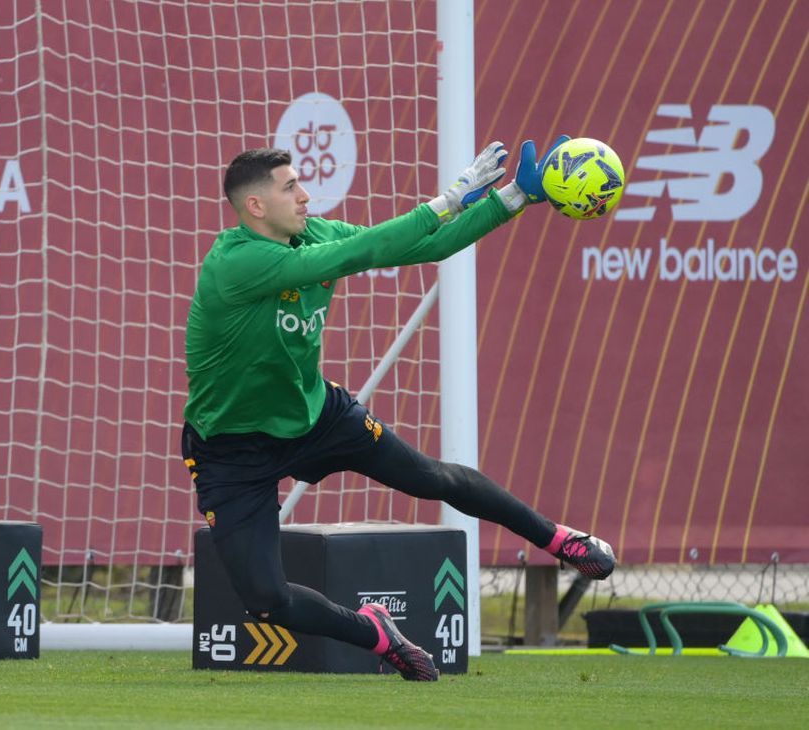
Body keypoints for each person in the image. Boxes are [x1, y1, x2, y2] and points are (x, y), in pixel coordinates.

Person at [180, 138, 616, 681]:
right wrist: (450, 198)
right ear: (256, 207)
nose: (306, 195)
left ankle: (559, 539)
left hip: (315, 416)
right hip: (231, 449)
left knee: (430, 477)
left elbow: (416, 248)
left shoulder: (312, 233)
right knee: (267, 602)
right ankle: (377, 634)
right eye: (291, 187)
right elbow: (359, 254)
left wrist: (511, 198)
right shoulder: (237, 262)